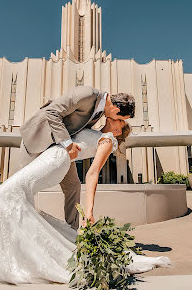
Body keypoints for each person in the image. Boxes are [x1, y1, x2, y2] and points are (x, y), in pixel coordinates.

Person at [0, 118, 170, 286]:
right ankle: (13, 256)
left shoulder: (108, 140)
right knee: (8, 198)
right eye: (118, 118)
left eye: (120, 122)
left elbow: (93, 173)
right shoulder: (93, 125)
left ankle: (24, 259)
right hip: (50, 156)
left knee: (4, 196)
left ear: (117, 132)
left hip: (57, 161)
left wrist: (88, 212)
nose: (116, 119)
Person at [19, 86, 135, 229]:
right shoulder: (87, 94)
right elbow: (52, 111)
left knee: (73, 186)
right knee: (21, 187)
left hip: (61, 150)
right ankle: (19, 226)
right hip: (38, 139)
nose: (115, 119)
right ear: (116, 110)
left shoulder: (100, 114)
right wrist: (68, 144)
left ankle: (71, 232)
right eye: (121, 119)